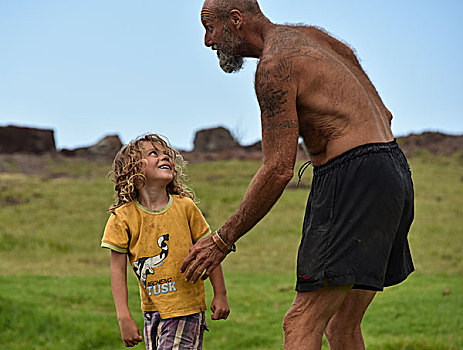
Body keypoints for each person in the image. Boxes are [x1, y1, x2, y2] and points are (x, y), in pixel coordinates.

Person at [180, 1, 414, 349]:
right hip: (393, 170)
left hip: (352, 176)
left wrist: (222, 240)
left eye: (210, 28)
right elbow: (387, 114)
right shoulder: (316, 39)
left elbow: (277, 169)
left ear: (235, 20)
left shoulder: (275, 67)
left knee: (300, 322)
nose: (207, 41)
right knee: (341, 325)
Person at [101, 133, 230, 349]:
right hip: (152, 310)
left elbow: (209, 251)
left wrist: (221, 294)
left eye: (167, 155)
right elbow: (117, 270)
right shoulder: (122, 217)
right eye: (154, 154)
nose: (165, 158)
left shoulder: (186, 207)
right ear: (134, 169)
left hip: (186, 308)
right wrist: (123, 316)